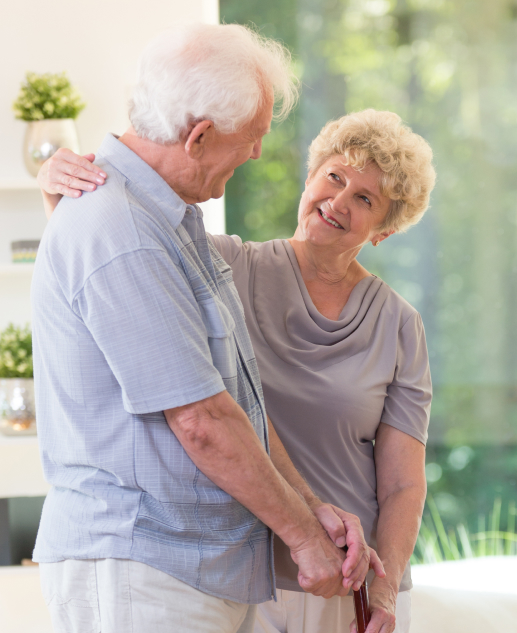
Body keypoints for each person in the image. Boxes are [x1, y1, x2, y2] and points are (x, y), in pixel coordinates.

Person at [32, 24, 383, 633]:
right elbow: (201, 420)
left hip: (189, 570)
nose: (256, 155)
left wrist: (310, 506)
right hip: (141, 567)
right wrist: (304, 540)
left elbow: (235, 404)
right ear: (198, 137)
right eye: (252, 139)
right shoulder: (122, 230)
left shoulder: (173, 225)